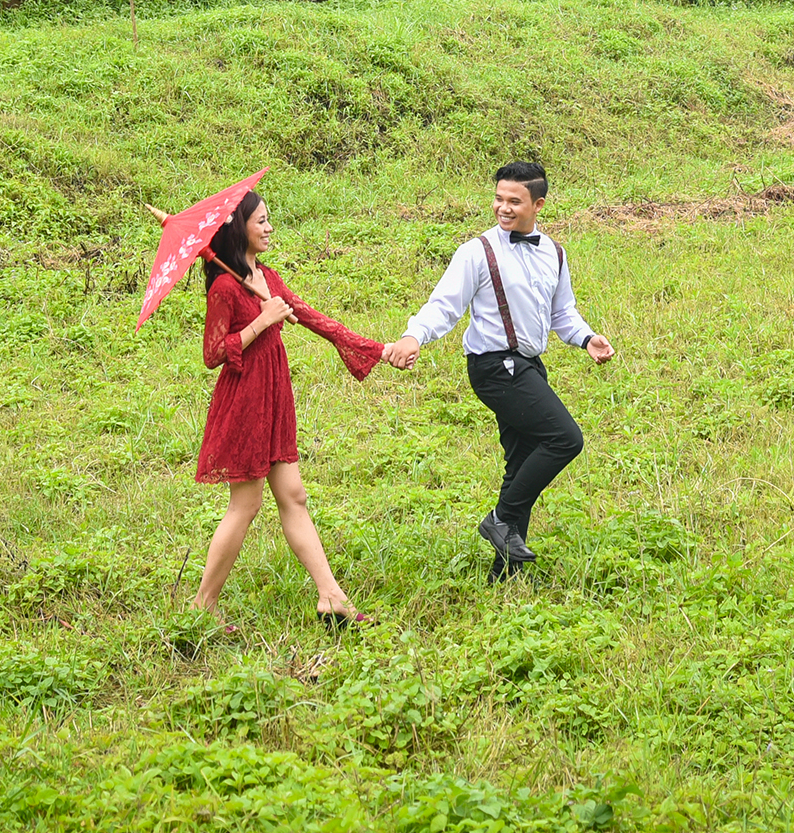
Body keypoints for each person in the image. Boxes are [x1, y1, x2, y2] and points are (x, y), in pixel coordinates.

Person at [153, 191, 387, 627]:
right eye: (260, 221)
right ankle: (202, 605)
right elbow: (212, 353)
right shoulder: (225, 286)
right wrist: (261, 321)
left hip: (274, 393)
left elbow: (313, 317)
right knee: (245, 504)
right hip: (244, 399)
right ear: (238, 227)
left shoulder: (265, 276)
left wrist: (376, 348)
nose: (268, 228)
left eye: (268, 220)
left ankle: (330, 596)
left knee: (293, 496)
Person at [382, 160, 615, 577]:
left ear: (537, 204)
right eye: (498, 198)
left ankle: (505, 572)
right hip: (494, 367)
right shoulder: (477, 251)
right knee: (565, 438)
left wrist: (586, 337)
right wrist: (413, 336)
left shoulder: (554, 253)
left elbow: (562, 312)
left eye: (514, 201)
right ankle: (502, 519)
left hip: (528, 366)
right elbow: (444, 305)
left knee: (522, 458)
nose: (503, 208)